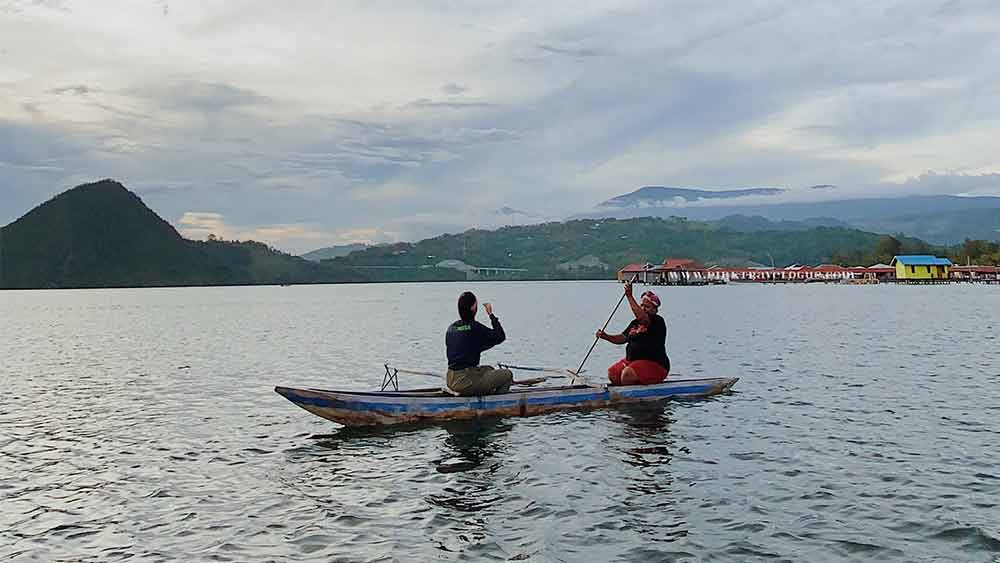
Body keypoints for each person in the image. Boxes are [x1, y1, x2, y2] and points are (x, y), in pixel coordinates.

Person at [595, 281, 670, 385]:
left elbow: (643, 319)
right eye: (641, 306)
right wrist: (605, 336)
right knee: (613, 373)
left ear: (655, 310)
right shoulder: (635, 323)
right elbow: (622, 338)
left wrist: (629, 296)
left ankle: (634, 394)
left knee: (627, 374)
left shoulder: (657, 321)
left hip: (656, 365)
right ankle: (629, 388)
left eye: (647, 307)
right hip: (634, 362)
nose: (643, 309)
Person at [445, 291, 514, 396]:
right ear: (473, 308)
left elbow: (465, 348)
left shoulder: (452, 328)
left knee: (489, 369)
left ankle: (481, 391)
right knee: (507, 374)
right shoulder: (475, 327)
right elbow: (500, 336)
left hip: (451, 379)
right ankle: (496, 402)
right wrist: (491, 315)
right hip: (466, 381)